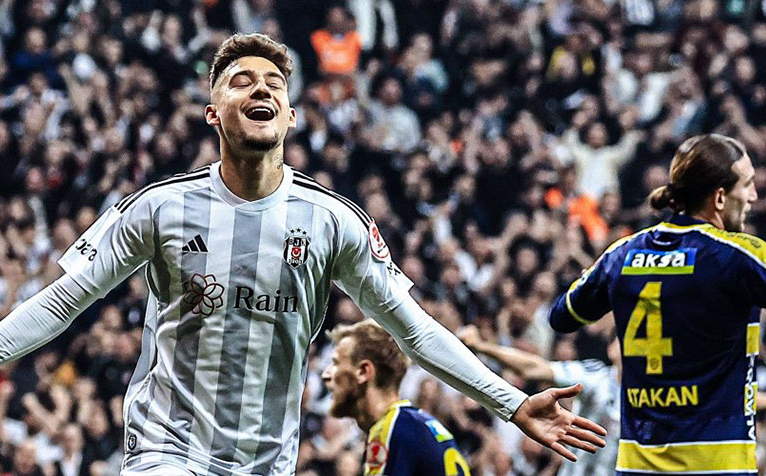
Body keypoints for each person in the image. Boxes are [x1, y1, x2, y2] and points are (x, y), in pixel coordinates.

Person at [0, 33, 605, 476]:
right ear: (212, 113)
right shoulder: (158, 207)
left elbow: (413, 330)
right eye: (241, 81)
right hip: (166, 450)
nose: (260, 89)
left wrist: (513, 404)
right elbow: (64, 299)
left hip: (265, 461)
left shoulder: (333, 221)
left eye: (274, 84)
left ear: (290, 116)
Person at [549, 134, 761, 475]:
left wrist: (605, 274)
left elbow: (562, 316)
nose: (753, 197)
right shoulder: (739, 256)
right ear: (720, 198)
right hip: (716, 464)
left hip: (638, 466)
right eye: (747, 185)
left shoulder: (622, 253)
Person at [457, 326, 620, 476]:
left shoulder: (636, 398)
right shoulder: (597, 378)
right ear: (611, 348)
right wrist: (481, 346)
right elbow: (534, 368)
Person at [322, 320, 471, 476]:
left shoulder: (389, 430)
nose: (326, 374)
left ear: (364, 371)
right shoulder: (416, 422)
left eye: (336, 363)